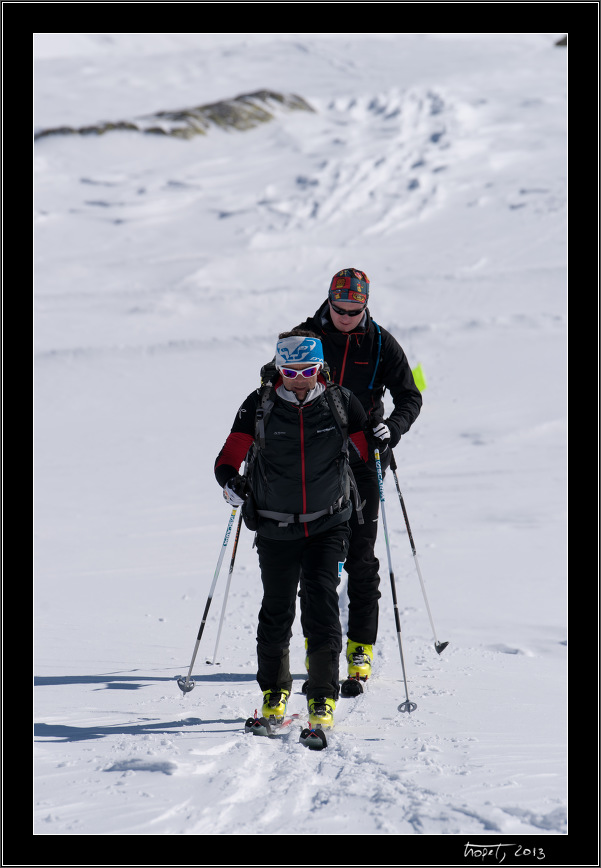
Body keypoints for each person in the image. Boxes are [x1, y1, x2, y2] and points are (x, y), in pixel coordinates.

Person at [214, 330, 369, 728]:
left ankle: (321, 697)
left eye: (308, 369)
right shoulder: (260, 404)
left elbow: (364, 448)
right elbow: (231, 451)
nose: (299, 378)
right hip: (273, 525)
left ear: (320, 369)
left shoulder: (339, 401)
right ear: (278, 368)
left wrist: (379, 438)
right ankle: (274, 691)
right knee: (276, 610)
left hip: (328, 523)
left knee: (321, 606)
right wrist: (230, 482)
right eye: (290, 370)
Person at [293, 268, 422, 686]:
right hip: (312, 457)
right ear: (328, 300)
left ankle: (361, 646)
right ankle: (320, 646)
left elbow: (410, 394)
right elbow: (277, 383)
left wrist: (395, 428)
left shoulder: (382, 342)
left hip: (365, 456)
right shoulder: (305, 335)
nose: (346, 316)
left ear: (366, 305)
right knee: (316, 559)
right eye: (340, 309)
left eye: (355, 310)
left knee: (362, 555)